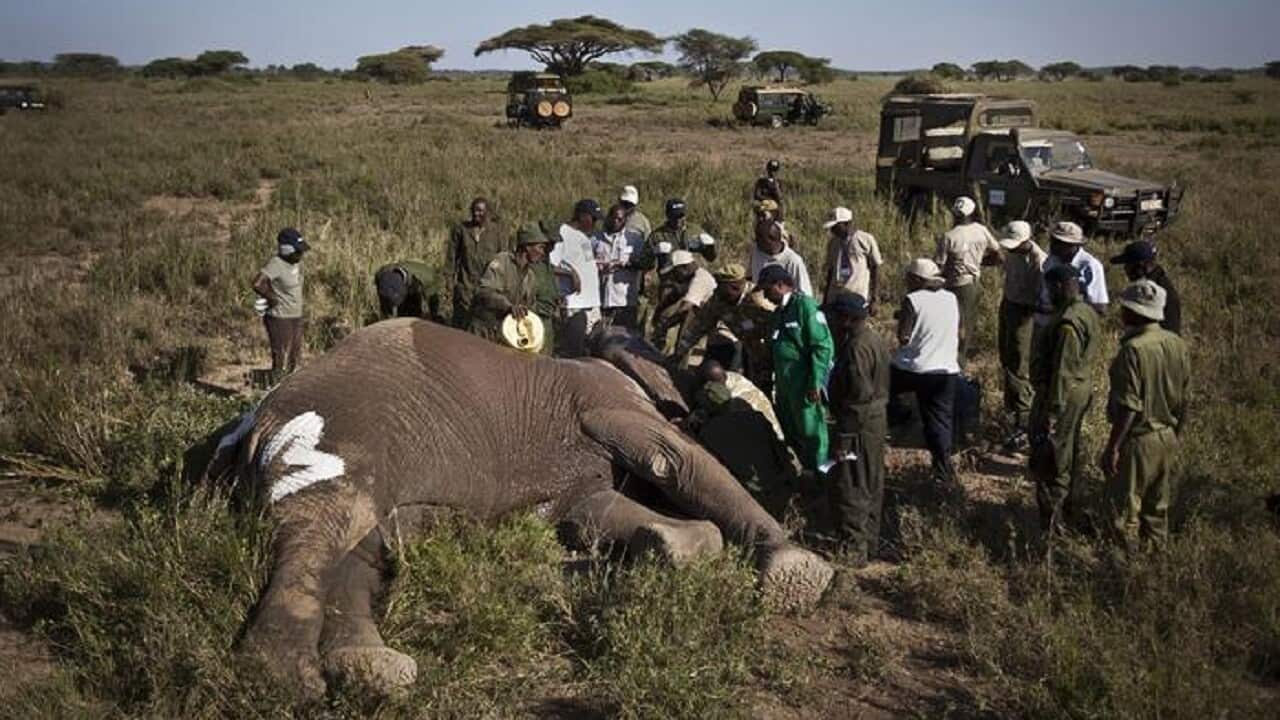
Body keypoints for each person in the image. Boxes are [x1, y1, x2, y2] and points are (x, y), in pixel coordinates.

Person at [1099, 279, 1190, 548]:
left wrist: (1113, 447)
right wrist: (1175, 432)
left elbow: (1129, 405)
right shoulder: (1177, 344)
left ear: (1136, 312)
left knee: (1123, 513)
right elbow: (1184, 399)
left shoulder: (1133, 350)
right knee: (1157, 512)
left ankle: (1121, 571)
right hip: (1167, 435)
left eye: (1126, 307)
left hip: (1138, 439)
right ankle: (1153, 568)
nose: (1121, 312)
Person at [1028, 264, 1103, 536]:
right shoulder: (1086, 311)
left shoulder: (1067, 323)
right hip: (1078, 389)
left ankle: (1053, 520)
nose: (1048, 294)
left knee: (1053, 455)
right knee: (1068, 449)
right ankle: (1068, 509)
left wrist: (1052, 411)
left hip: (1062, 394)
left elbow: (1062, 370)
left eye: (1050, 288)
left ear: (1059, 286)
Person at [825, 291, 891, 563]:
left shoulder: (856, 348)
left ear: (847, 319)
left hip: (859, 424)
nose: (829, 320)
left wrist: (844, 437)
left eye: (834, 315)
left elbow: (857, 396)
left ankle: (854, 550)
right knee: (871, 482)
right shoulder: (873, 338)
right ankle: (870, 544)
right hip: (874, 420)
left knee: (852, 484)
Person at [888, 259, 961, 483]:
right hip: (946, 370)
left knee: (883, 386)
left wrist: (902, 318)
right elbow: (961, 329)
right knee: (939, 419)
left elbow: (903, 337)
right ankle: (942, 469)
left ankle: (898, 417)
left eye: (909, 278)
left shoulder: (913, 299)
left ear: (918, 279)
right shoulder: (951, 298)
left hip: (914, 368)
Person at [758, 264, 834, 472]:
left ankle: (821, 472)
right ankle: (803, 473)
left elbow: (822, 347)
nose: (764, 295)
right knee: (791, 429)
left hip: (804, 383)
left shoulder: (804, 306)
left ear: (781, 285)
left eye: (767, 289)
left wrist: (816, 382)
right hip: (784, 385)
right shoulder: (777, 314)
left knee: (812, 430)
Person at [672, 262, 776, 392]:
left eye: (721, 286)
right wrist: (679, 353)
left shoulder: (760, 300)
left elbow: (781, 326)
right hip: (751, 352)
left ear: (735, 287)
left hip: (774, 354)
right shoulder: (718, 301)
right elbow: (698, 327)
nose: (716, 290)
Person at [995, 221, 1048, 449]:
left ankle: (1023, 421)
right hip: (1009, 304)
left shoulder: (1039, 261)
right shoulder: (1012, 253)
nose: (1010, 249)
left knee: (1019, 366)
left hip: (1026, 313)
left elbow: (1042, 298)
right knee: (1006, 359)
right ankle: (1010, 410)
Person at [935, 196, 1001, 363]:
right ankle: (961, 358)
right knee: (967, 323)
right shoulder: (981, 230)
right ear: (972, 213)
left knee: (952, 324)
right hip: (972, 283)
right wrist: (979, 262)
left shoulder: (949, 236)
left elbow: (939, 266)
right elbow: (999, 255)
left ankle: (956, 360)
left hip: (953, 284)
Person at [471, 223, 553, 353]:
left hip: (507, 337)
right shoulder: (502, 261)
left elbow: (530, 308)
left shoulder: (530, 277)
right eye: (540, 247)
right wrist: (508, 306)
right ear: (527, 246)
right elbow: (484, 292)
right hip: (484, 333)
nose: (542, 253)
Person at [252, 227, 308, 381]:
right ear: (286, 250)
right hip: (280, 318)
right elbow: (257, 283)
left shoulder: (296, 264)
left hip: (295, 316)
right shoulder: (276, 263)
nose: (301, 255)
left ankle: (286, 391)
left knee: (294, 359)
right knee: (281, 359)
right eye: (298, 252)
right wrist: (272, 298)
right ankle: (272, 389)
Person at [551, 199, 604, 357]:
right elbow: (551, 265)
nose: (594, 224)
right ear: (582, 216)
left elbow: (587, 264)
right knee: (573, 352)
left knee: (593, 350)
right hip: (575, 304)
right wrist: (570, 274)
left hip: (592, 304)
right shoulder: (563, 233)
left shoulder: (585, 238)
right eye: (593, 219)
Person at [446, 197, 507, 330]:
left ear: (488, 213)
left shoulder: (497, 232)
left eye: (480, 211)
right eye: (474, 210)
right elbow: (451, 259)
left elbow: (503, 260)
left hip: (487, 289)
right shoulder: (461, 230)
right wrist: (450, 284)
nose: (476, 214)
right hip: (465, 287)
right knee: (460, 327)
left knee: (481, 327)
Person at [1038, 220, 1108, 321]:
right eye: (1052, 240)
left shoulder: (1091, 265)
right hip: (1044, 322)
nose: (1052, 245)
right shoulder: (1051, 259)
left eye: (1059, 242)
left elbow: (1100, 308)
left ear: (1073, 245)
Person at [1110, 240, 1181, 335]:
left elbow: (1169, 332)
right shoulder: (1148, 286)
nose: (1125, 269)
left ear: (1140, 265)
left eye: (1128, 265)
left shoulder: (1158, 292)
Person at [651, 250, 716, 353]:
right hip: (702, 312)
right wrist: (659, 314)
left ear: (685, 267)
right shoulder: (686, 278)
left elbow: (686, 306)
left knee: (689, 316)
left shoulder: (700, 278)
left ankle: (680, 358)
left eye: (676, 271)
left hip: (714, 317)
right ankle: (658, 347)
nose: (674, 275)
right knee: (666, 314)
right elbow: (672, 298)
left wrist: (666, 324)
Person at [821, 206, 883, 311]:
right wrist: (826, 300)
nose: (832, 230)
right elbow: (831, 271)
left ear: (846, 224)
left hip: (856, 296)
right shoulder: (833, 243)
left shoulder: (865, 239)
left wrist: (874, 298)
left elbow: (875, 267)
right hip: (835, 297)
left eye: (836, 226)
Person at [594, 203, 645, 331]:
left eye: (620, 219)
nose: (616, 221)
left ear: (625, 220)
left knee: (625, 337)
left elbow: (644, 263)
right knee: (600, 337)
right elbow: (586, 261)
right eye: (613, 218)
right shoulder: (595, 238)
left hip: (624, 301)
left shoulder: (635, 239)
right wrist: (599, 266)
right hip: (601, 298)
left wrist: (626, 264)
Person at [750, 221, 814, 297]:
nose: (756, 242)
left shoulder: (793, 261)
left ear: (772, 239)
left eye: (760, 240)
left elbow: (805, 294)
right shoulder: (756, 251)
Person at [374, 260, 442, 322]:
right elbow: (385, 303)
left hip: (418, 284)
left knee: (412, 318)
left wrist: (434, 315)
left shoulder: (427, 278)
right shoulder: (382, 276)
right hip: (404, 283)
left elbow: (433, 296)